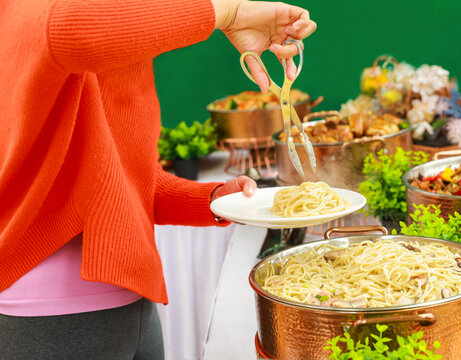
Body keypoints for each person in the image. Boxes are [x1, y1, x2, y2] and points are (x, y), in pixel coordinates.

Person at [0, 0, 316, 358]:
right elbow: (75, 29)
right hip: (53, 312)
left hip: (130, 301)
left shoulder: (105, 33)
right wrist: (228, 12)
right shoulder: (35, 15)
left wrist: (210, 199)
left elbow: (118, 177)